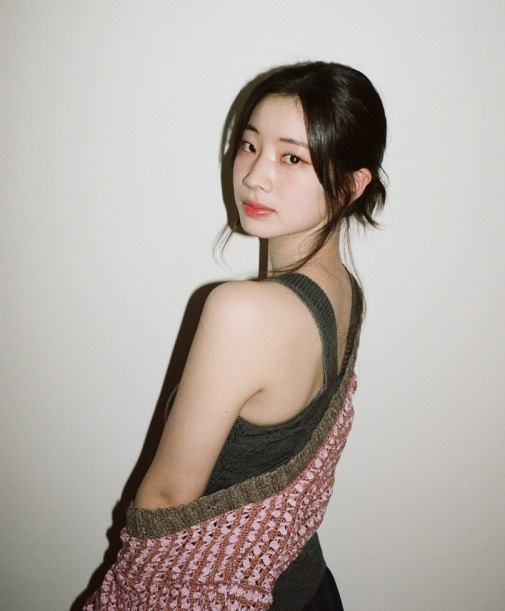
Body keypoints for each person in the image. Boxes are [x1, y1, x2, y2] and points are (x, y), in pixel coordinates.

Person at [84, 61, 387, 610]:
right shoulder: (346, 291)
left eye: (292, 158)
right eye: (249, 145)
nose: (254, 176)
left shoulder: (242, 312)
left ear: (351, 184)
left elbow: (166, 501)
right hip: (308, 587)